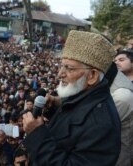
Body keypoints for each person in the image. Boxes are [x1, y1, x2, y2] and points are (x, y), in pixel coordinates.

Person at [22, 30, 121, 165]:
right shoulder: (81, 95)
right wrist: (56, 107)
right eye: (62, 66)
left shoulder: (101, 124)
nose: (60, 74)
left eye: (69, 68)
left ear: (92, 76)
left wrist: (36, 135)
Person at [105, 62, 133, 166]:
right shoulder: (108, 77)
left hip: (118, 156)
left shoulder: (122, 96)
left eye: (71, 68)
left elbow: (99, 128)